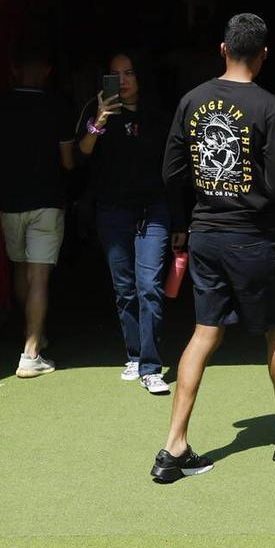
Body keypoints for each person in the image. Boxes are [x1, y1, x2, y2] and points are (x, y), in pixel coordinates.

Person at [153, 13, 275, 483]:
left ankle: (173, 447)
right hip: (254, 236)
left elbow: (171, 170)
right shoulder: (272, 106)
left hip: (205, 231)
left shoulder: (192, 99)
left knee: (204, 332)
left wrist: (203, 192)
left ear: (223, 48)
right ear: (264, 55)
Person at [76, 50, 173, 395]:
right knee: (125, 289)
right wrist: (99, 120)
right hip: (113, 212)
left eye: (130, 72)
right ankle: (134, 355)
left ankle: (150, 366)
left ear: (141, 76)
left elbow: (175, 166)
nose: (124, 80)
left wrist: (181, 219)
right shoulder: (98, 111)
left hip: (154, 210)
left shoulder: (159, 114)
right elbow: (81, 153)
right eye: (116, 74)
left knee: (150, 286)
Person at [0, 48, 76, 378]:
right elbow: (68, 162)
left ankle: (33, 335)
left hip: (10, 200)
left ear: (15, 68)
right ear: (47, 69)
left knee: (21, 270)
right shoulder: (58, 106)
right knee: (40, 277)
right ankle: (31, 351)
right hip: (47, 199)